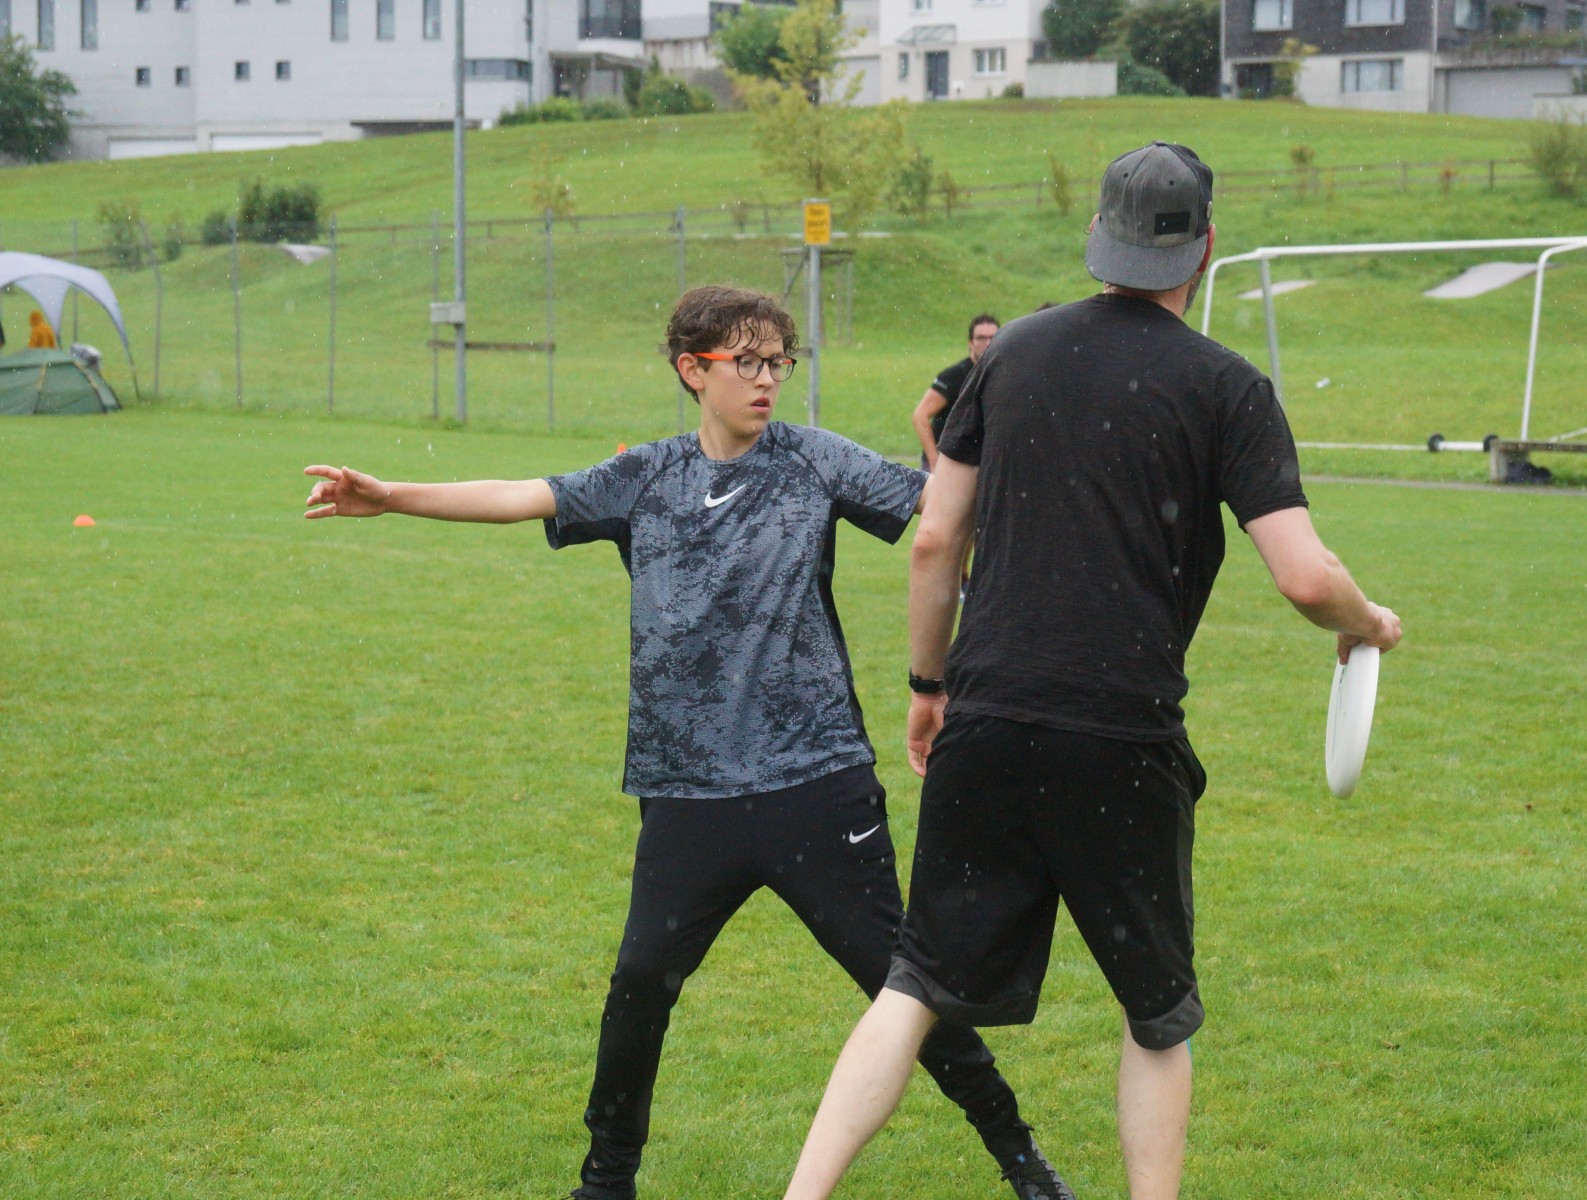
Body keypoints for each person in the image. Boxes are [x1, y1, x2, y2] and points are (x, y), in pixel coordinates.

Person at [301, 285, 1072, 1200]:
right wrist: (390, 496)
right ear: (691, 370)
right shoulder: (645, 476)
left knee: (903, 989)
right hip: (686, 794)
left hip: (816, 784)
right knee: (640, 983)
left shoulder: (815, 460)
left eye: (778, 361)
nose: (767, 379)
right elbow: (519, 495)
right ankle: (606, 1182)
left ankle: (1021, 1160)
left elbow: (946, 511)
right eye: (746, 361)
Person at [783, 141, 1404, 1200]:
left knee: (914, 984)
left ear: (1096, 239)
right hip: (1121, 737)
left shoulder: (1012, 353)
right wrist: (1368, 622)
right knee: (1156, 1013)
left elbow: (935, 542)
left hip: (988, 718)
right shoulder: (1228, 386)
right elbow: (1306, 578)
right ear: (1206, 247)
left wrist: (929, 688)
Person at [911, 313, 998, 471]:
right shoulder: (954, 376)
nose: (987, 343)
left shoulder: (999, 374)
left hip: (978, 462)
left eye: (993, 337)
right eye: (981, 338)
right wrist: (934, 461)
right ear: (970, 342)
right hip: (947, 461)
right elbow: (920, 416)